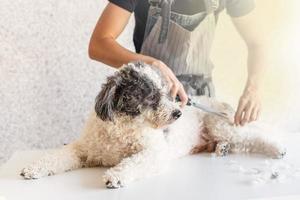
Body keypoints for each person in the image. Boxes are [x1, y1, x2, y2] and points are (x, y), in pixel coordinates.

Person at [88, 0, 267, 128]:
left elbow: (259, 43)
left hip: (201, 100)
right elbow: (98, 44)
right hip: (150, 103)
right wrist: (152, 64)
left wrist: (253, 89)